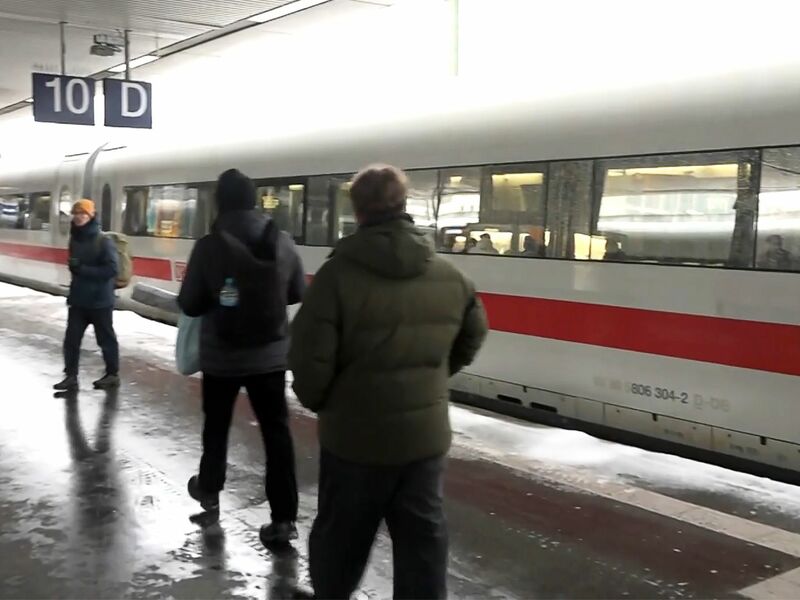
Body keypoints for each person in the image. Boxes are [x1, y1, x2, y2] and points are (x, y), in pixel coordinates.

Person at [289, 164, 489, 600]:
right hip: (423, 440)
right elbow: (473, 334)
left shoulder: (336, 277)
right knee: (423, 542)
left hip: (355, 440)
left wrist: (326, 402)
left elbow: (308, 360)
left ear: (357, 211)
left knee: (341, 537)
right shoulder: (451, 276)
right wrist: (431, 380)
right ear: (404, 206)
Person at [177, 169, 306, 545]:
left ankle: (210, 492)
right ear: (254, 200)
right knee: (277, 435)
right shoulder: (282, 241)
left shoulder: (208, 245)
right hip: (270, 357)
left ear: (220, 202)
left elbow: (190, 302)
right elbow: (297, 291)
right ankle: (284, 518)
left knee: (216, 428)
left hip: (222, 358)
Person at [54, 199, 120, 392]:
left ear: (91, 216)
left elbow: (111, 270)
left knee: (105, 340)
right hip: (79, 300)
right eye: (76, 214)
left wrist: (82, 269)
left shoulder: (103, 241)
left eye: (83, 214)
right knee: (71, 340)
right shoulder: (74, 239)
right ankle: (71, 376)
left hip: (100, 302)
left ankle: (112, 374)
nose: (79, 217)